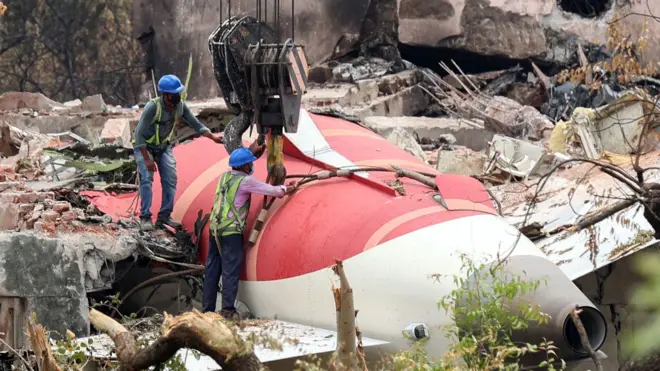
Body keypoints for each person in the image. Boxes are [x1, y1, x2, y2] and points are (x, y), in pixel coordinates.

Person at [202, 147, 297, 320]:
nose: (252, 165)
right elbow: (272, 190)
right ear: (245, 166)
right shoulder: (245, 181)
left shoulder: (224, 177)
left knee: (212, 270)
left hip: (215, 229)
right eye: (251, 163)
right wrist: (288, 188)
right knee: (230, 270)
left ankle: (207, 310)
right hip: (231, 233)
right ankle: (228, 310)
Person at [133, 74, 224, 231]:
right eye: (174, 94)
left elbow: (196, 124)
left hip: (163, 146)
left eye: (178, 94)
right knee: (147, 179)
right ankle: (145, 217)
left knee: (170, 179)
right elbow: (138, 134)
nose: (177, 97)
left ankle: (164, 216)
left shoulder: (180, 106)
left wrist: (213, 137)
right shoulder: (152, 107)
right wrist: (147, 159)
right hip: (145, 147)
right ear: (165, 95)